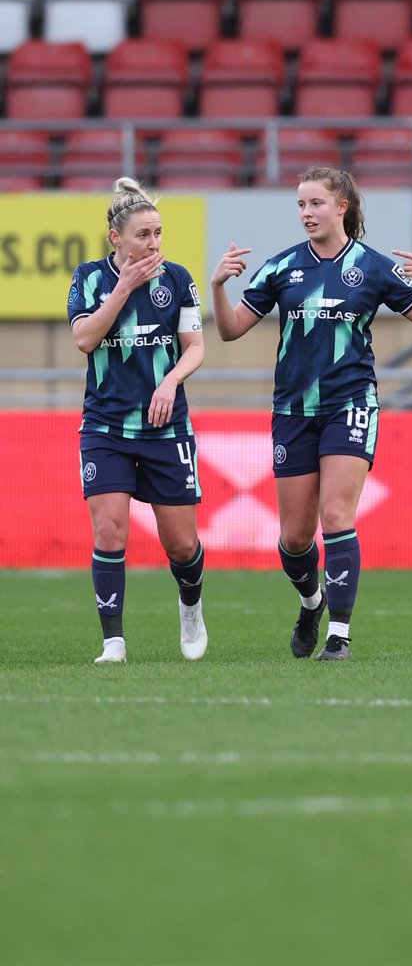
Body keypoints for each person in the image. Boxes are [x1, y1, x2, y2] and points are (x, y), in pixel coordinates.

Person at [211, 166, 412, 661]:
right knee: (295, 539)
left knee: (336, 515)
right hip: (293, 411)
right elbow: (231, 330)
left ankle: (339, 634)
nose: (306, 213)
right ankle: (311, 602)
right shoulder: (281, 267)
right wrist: (217, 287)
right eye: (300, 204)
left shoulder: (373, 267)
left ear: (342, 207)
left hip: (351, 403)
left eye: (316, 203)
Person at [68, 178, 207, 665]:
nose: (153, 243)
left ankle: (191, 607)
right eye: (143, 234)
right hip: (105, 428)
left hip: (166, 429)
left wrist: (170, 382)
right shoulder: (89, 278)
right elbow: (85, 339)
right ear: (116, 238)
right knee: (109, 532)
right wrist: (123, 287)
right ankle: (114, 642)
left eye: (158, 233)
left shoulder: (178, 279)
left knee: (182, 544)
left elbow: (195, 347)